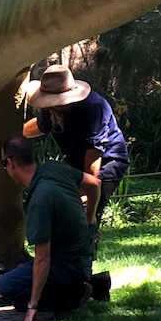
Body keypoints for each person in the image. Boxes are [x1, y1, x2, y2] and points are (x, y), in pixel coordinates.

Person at [0, 136, 100, 321]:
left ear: (10, 163)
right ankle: (81, 286)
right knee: (21, 281)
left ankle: (72, 295)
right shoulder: (54, 168)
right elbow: (94, 183)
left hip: (69, 266)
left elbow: (42, 259)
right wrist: (90, 217)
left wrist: (32, 307)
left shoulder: (40, 201)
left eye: (4, 164)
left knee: (6, 285)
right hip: (83, 258)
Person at [22, 65, 129, 226]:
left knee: (84, 217)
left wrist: (86, 195)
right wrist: (13, 134)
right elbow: (40, 126)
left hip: (106, 163)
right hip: (74, 162)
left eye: (56, 102)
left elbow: (93, 156)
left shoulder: (93, 108)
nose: (52, 106)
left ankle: (87, 241)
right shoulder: (52, 109)